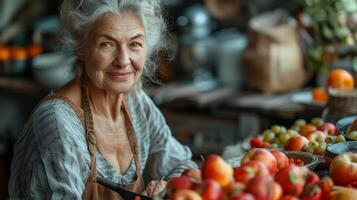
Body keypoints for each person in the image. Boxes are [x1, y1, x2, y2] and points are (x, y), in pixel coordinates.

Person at [8, 0, 197, 199]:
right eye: (107, 44)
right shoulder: (57, 124)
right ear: (80, 46)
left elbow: (184, 167)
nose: (123, 60)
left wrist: (167, 187)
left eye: (135, 44)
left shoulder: (135, 102)